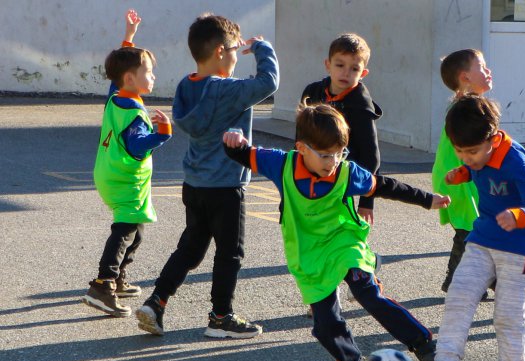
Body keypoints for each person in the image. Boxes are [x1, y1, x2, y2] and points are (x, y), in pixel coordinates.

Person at [222, 103, 446, 361]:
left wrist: (427, 200)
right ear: (301, 148)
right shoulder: (281, 164)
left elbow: (385, 186)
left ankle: (423, 344)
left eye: (340, 153)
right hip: (308, 254)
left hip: (345, 242)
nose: (334, 161)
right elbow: (240, 153)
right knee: (325, 324)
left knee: (367, 291)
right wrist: (233, 140)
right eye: (326, 155)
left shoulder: (346, 172)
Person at [134, 13, 279, 338]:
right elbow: (269, 82)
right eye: (231, 53)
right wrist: (262, 48)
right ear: (219, 52)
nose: (233, 59)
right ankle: (220, 316)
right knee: (230, 252)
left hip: (194, 184)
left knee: (191, 248)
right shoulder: (229, 90)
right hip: (226, 187)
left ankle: (157, 302)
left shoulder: (187, 86)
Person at [416, 95, 525, 361]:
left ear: (493, 137)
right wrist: (463, 172)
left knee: (507, 318)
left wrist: (519, 215)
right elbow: (478, 170)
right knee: (459, 294)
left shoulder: (518, 160)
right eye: (460, 152)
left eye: (472, 152)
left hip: (520, 247)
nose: (467, 158)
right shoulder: (475, 158)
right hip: (484, 238)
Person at [83, 9, 172, 318]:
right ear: (131, 78)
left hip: (108, 173)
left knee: (135, 230)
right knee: (124, 230)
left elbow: (120, 69)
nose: (154, 76)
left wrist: (129, 37)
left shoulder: (116, 96)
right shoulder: (134, 113)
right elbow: (137, 146)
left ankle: (118, 277)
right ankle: (103, 285)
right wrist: (162, 134)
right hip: (125, 179)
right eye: (149, 72)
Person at [301, 33, 382, 224]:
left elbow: (371, 155)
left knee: (337, 226)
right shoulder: (312, 93)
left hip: (340, 176)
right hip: (310, 173)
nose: (346, 73)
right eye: (339, 65)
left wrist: (367, 201)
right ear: (327, 64)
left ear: (363, 73)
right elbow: (300, 138)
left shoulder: (360, 105)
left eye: (354, 68)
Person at [432, 49, 491, 298]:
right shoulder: (469, 108)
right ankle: (456, 279)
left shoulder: (466, 104)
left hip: (461, 177)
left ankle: (474, 280)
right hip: (460, 179)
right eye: (483, 67)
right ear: (466, 77)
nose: (488, 72)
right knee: (471, 231)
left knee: (475, 230)